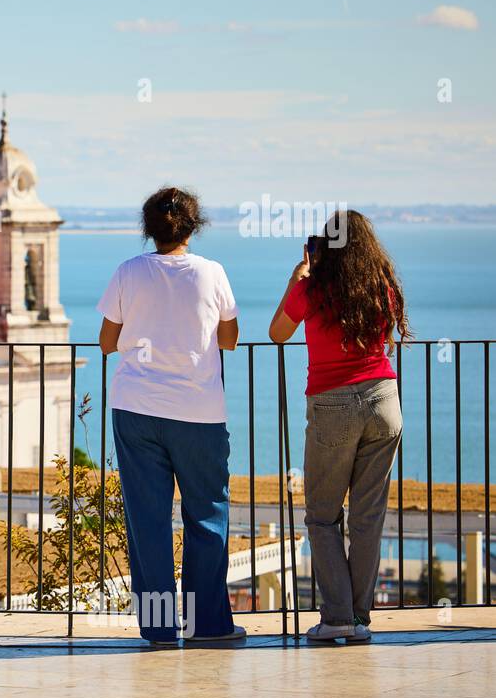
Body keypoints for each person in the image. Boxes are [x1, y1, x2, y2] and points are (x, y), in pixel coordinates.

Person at [98, 186, 244, 646]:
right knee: (206, 515)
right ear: (193, 226)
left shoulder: (128, 272)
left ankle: (159, 629)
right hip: (198, 412)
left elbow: (106, 341)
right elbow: (231, 338)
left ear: (148, 228)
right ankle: (208, 626)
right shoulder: (211, 273)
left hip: (136, 409)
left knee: (148, 519)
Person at [269, 210, 406, 643]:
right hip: (385, 401)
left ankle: (337, 618)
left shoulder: (312, 289)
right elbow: (382, 344)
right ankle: (359, 618)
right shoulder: (382, 288)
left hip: (332, 404)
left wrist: (298, 279)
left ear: (323, 248)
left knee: (324, 517)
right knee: (368, 517)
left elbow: (277, 333)